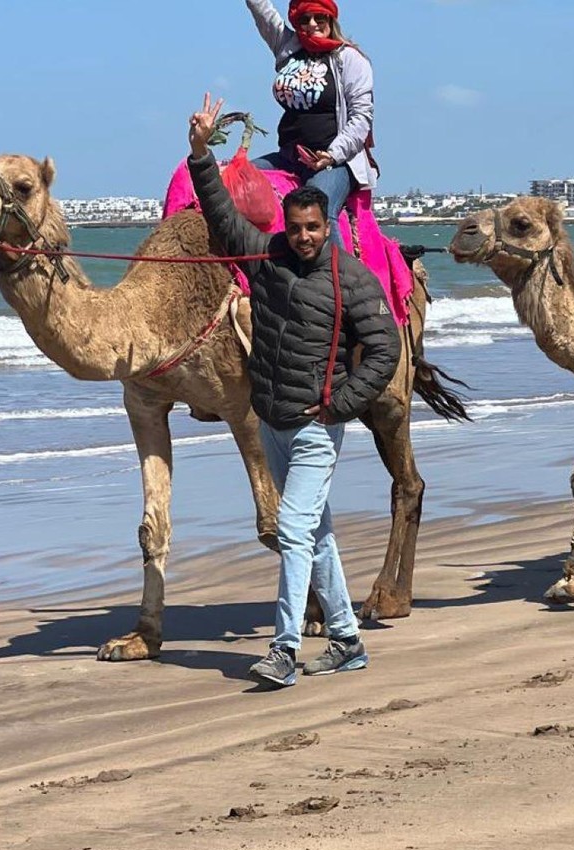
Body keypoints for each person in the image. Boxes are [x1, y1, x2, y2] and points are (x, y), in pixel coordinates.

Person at [187, 93, 400, 687]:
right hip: (271, 422)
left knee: (292, 530)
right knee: (315, 533)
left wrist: (340, 405)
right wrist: (201, 153)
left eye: (312, 229)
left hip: (315, 429)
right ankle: (348, 640)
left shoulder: (351, 279)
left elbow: (384, 350)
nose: (304, 237)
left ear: (326, 227)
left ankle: (283, 649)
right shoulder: (267, 258)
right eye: (296, 228)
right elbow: (221, 216)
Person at [243, 0, 376, 237]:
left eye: (319, 18)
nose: (312, 24)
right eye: (304, 19)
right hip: (288, 157)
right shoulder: (288, 48)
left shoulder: (349, 59)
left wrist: (332, 155)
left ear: (330, 20)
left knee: (317, 207)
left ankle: (335, 262)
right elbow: (262, 11)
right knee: (238, 179)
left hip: (335, 161)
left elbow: (361, 117)